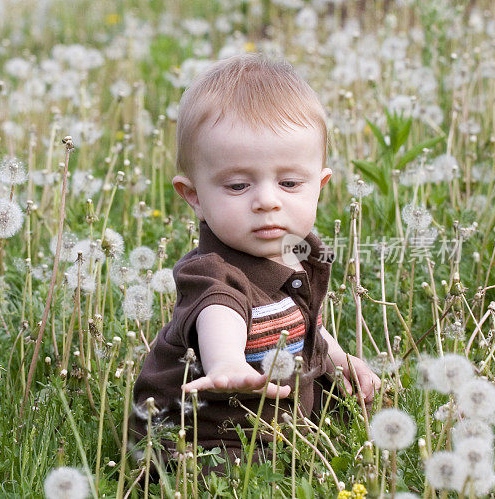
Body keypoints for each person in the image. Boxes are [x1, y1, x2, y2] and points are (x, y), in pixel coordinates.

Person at [129, 53, 381, 476]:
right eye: (238, 184)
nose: (267, 200)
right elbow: (219, 312)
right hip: (206, 433)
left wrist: (341, 360)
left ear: (319, 186)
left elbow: (308, 324)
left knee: (355, 412)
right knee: (231, 472)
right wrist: (227, 362)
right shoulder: (211, 271)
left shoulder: (301, 251)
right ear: (193, 196)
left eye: (289, 183)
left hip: (277, 409)